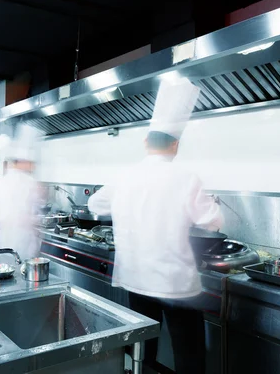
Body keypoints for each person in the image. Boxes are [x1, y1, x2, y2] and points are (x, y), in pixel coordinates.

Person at [88, 79, 223, 374]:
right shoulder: (186, 177)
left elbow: (94, 206)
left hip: (136, 278)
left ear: (146, 143)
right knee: (189, 355)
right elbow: (213, 222)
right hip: (176, 284)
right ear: (176, 144)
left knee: (141, 352)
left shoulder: (125, 175)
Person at [0, 125, 44, 260]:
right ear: (23, 162)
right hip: (22, 239)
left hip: (4, 238)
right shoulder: (29, 182)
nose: (33, 166)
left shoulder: (2, 180)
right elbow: (33, 211)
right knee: (23, 272)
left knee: (5, 270)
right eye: (31, 163)